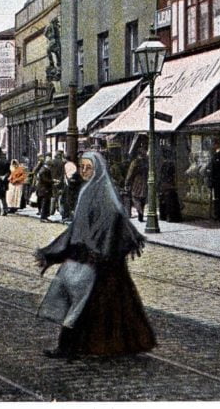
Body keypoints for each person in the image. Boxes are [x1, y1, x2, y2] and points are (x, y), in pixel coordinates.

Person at [35, 151, 156, 359]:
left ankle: (73, 347)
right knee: (86, 304)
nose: (83, 171)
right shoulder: (87, 190)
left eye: (88, 167)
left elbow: (113, 222)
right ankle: (76, 346)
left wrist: (96, 247)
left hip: (102, 262)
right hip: (90, 256)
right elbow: (78, 228)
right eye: (81, 167)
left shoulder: (103, 192)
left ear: (98, 170)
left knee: (96, 305)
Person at [157, 148, 182, 223]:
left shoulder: (165, 164)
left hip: (165, 185)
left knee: (165, 201)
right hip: (169, 185)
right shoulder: (171, 164)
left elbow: (162, 175)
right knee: (170, 201)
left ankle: (165, 216)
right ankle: (170, 216)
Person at [126, 148, 149, 222]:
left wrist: (127, 182)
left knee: (135, 197)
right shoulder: (146, 162)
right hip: (145, 181)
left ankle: (140, 211)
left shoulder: (135, 162)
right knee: (142, 198)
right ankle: (140, 215)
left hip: (137, 181)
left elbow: (130, 173)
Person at [34, 157, 55, 221]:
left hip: (44, 188)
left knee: (46, 203)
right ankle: (43, 217)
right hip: (44, 189)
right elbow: (44, 179)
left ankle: (45, 216)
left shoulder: (43, 169)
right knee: (45, 203)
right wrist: (53, 181)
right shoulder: (44, 170)